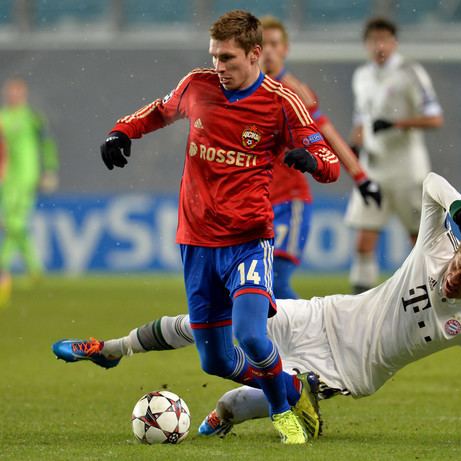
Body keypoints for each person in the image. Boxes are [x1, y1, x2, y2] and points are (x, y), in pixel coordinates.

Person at [54, 172, 461, 442]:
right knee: (208, 323)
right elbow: (430, 182)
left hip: (349, 372)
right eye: (454, 265)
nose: (451, 274)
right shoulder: (437, 247)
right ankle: (112, 348)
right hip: (325, 315)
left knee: (237, 402)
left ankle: (231, 414)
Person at [98, 10, 340, 444]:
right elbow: (159, 111)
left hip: (248, 240)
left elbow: (330, 161)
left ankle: (282, 414)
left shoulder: (281, 102)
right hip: (195, 243)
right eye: (214, 56)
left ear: (254, 54)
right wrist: (122, 132)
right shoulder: (198, 86)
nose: (219, 67)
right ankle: (291, 386)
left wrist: (312, 163)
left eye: (227, 58)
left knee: (249, 333)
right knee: (214, 360)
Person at [260, 16, 381, 299]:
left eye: (274, 44)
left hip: (287, 201)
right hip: (254, 202)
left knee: (274, 282)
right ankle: (264, 343)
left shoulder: (296, 92)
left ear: (285, 49)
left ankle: (315, 339)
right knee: (247, 286)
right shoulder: (245, 89)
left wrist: (361, 178)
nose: (267, 50)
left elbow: (328, 134)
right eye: (261, 44)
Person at [346, 18, 444, 294]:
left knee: (419, 239)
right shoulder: (361, 76)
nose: (379, 46)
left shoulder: (410, 72)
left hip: (407, 169)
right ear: (365, 45)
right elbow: (361, 119)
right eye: (373, 40)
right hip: (373, 169)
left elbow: (435, 118)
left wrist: (397, 124)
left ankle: (429, 297)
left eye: (384, 39)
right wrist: (353, 146)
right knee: (363, 241)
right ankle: (360, 307)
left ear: (394, 42)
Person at [0, 78, 59, 306]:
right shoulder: (3, 117)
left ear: (23, 95)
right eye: (10, 93)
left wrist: (50, 169)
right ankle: (35, 269)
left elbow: (47, 143)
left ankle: (3, 267)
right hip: (7, 177)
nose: (14, 96)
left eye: (18, 93)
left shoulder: (32, 118)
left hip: (27, 175)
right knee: (15, 224)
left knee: (14, 223)